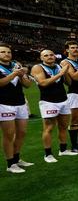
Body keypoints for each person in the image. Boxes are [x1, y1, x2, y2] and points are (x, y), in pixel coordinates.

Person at [31, 49, 78, 163]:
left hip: (63, 100)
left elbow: (69, 83)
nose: (49, 57)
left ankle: (63, 150)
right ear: (41, 58)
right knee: (49, 128)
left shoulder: (58, 66)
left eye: (51, 55)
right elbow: (43, 83)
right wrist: (60, 73)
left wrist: (65, 73)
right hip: (48, 101)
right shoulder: (37, 67)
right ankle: (48, 154)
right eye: (46, 55)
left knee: (63, 126)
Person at [0, 43, 33, 173]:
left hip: (20, 103)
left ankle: (16, 158)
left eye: (8, 52)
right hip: (4, 104)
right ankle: (10, 164)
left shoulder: (16, 65)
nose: (6, 54)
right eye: (2, 52)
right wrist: (15, 74)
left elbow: (28, 84)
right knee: (8, 135)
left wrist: (21, 75)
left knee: (22, 133)